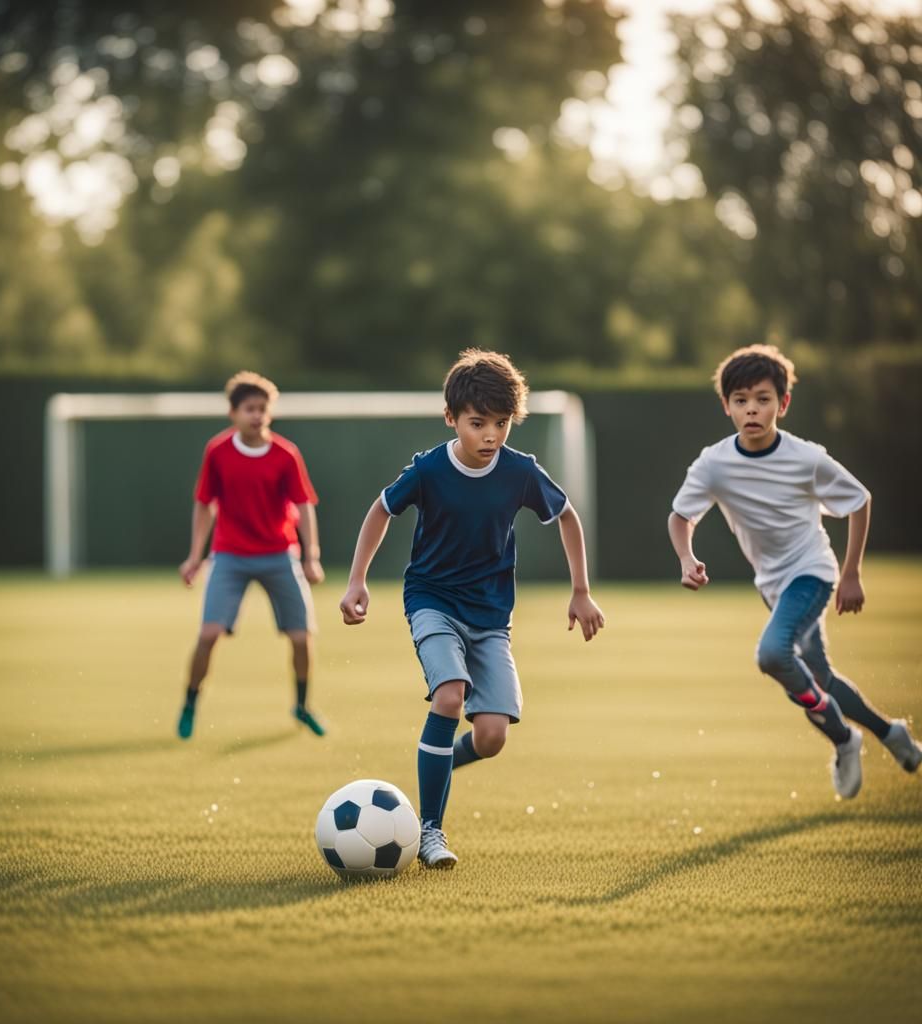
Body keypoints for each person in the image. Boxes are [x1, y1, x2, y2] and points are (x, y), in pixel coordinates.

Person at [339, 349, 604, 868]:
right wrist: (356, 582)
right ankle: (430, 831)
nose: (490, 436)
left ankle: (434, 766)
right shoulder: (430, 469)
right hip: (432, 600)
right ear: (451, 418)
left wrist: (581, 590)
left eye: (501, 424)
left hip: (491, 617)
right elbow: (381, 509)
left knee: (491, 736)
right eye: (477, 423)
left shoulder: (520, 471)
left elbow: (567, 516)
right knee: (450, 695)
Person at [667, 344, 921, 799]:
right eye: (741, 400)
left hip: (812, 573)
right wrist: (686, 557)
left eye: (762, 399)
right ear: (726, 406)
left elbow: (859, 500)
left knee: (772, 655)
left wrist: (851, 574)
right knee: (818, 678)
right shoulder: (714, 463)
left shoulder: (807, 458)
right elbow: (681, 516)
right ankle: (890, 733)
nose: (751, 409)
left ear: (782, 404)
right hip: (773, 586)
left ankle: (842, 738)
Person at [177, 371, 326, 740]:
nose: (257, 415)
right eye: (249, 409)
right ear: (233, 413)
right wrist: (195, 556)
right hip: (230, 555)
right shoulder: (218, 452)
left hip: (279, 554)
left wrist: (311, 556)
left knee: (301, 637)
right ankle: (190, 703)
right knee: (208, 634)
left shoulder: (286, 454)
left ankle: (302, 706)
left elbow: (303, 505)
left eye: (263, 408)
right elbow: (204, 504)